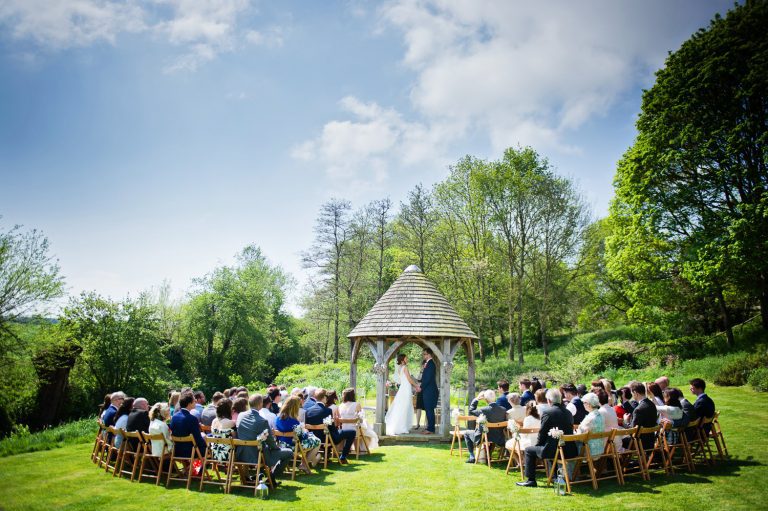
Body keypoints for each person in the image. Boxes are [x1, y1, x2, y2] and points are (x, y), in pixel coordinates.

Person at [517, 389, 575, 488]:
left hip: (554, 450)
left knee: (529, 450)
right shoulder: (568, 412)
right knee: (550, 447)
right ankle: (555, 477)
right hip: (569, 449)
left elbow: (543, 432)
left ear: (549, 400)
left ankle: (531, 480)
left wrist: (538, 445)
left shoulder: (548, 412)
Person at [236, 395, 293, 480]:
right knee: (289, 452)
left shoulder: (242, 418)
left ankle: (262, 475)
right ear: (260, 404)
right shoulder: (262, 421)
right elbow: (270, 441)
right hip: (258, 455)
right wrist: (276, 448)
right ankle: (272, 477)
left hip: (241, 454)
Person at [305, 388, 356, 464]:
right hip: (326, 439)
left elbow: (307, 427)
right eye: (326, 397)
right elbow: (331, 428)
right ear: (324, 398)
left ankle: (326, 455)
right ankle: (343, 457)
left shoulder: (308, 411)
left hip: (313, 439)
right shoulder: (327, 411)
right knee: (352, 432)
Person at [274, 396, 320, 473]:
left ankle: (311, 461)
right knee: (317, 441)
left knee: (312, 438)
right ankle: (304, 464)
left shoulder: (277, 418)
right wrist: (306, 432)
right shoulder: (293, 421)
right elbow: (301, 437)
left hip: (281, 445)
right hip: (293, 446)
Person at [464, 390, 507, 464]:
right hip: (499, 438)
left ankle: (472, 456)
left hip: (484, 437)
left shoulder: (484, 410)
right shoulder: (503, 410)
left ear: (485, 399)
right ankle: (487, 455)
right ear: (495, 398)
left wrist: (477, 399)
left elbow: (471, 410)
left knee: (466, 433)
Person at [385, 353, 420, 435]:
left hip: (403, 388)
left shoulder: (399, 368)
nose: (407, 359)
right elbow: (409, 379)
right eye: (406, 358)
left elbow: (402, 380)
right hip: (406, 389)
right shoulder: (405, 367)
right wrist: (416, 386)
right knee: (405, 407)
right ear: (402, 360)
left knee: (402, 406)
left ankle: (401, 426)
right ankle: (403, 427)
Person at [169, 392, 206, 459]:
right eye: (194, 401)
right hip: (191, 452)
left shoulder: (174, 417)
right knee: (207, 446)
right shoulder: (192, 419)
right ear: (189, 403)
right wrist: (207, 444)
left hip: (177, 451)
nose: (196, 402)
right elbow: (198, 439)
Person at [622, 382, 658, 451]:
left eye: (632, 393)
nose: (632, 395)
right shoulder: (652, 404)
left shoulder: (638, 409)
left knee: (618, 440)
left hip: (640, 442)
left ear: (635, 393)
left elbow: (633, 431)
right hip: (651, 440)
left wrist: (625, 422)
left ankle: (619, 458)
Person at [577, 392, 605, 458]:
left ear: (588, 404)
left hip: (588, 452)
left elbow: (580, 437)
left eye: (584, 403)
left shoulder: (589, 418)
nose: (583, 404)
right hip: (600, 450)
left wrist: (576, 431)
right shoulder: (601, 415)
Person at [209, 397, 236, 463]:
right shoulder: (231, 423)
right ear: (229, 410)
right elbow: (235, 438)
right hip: (227, 454)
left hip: (215, 453)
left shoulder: (214, 421)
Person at [419, 349, 438, 434]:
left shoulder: (431, 364)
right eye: (423, 354)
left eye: (425, 354)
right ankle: (429, 427)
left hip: (430, 390)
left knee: (429, 409)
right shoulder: (427, 364)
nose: (424, 355)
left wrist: (421, 387)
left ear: (429, 354)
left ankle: (431, 429)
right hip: (427, 390)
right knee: (428, 409)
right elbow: (424, 377)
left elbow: (428, 378)